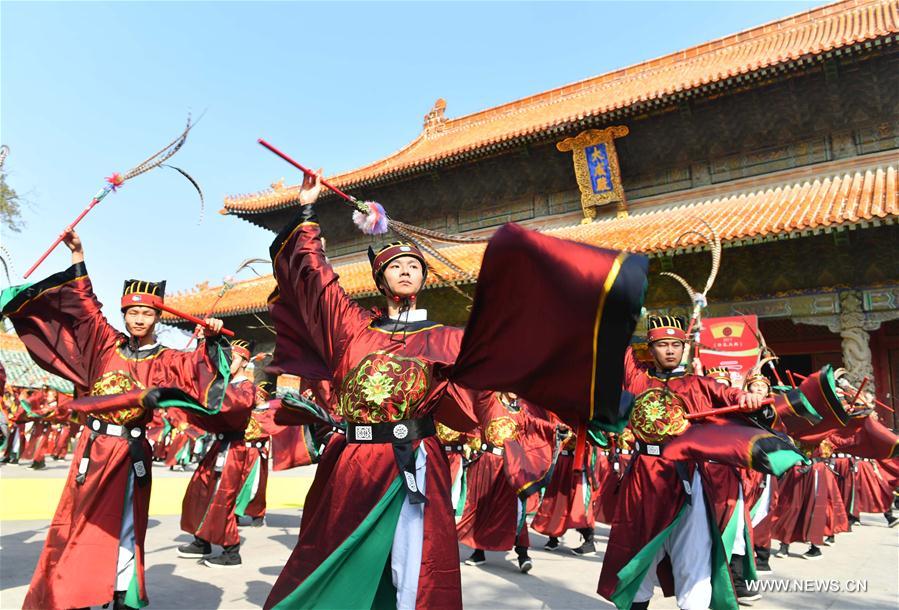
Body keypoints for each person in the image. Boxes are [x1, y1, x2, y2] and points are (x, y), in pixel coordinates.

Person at [2, 229, 230, 610]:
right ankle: (71, 592)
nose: (139, 319)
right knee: (77, 523)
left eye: (147, 313)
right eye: (133, 312)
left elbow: (199, 370)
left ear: (158, 317)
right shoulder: (106, 344)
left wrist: (211, 340)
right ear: (124, 315)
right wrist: (79, 255)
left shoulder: (168, 359)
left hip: (129, 451)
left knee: (123, 524)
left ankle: (122, 595)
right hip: (92, 450)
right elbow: (85, 304)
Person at [598, 315, 766, 610]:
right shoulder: (638, 380)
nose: (671, 350)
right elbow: (617, 342)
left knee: (694, 557)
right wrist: (622, 301)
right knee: (638, 557)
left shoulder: (698, 385)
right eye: (663, 345)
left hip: (688, 479)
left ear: (684, 347)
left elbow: (729, 395)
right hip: (643, 480)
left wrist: (747, 397)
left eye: (676, 344)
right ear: (650, 349)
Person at [178, 339, 257, 568]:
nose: (227, 361)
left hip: (233, 449)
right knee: (200, 489)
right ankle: (201, 539)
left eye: (232, 357)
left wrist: (215, 387)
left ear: (244, 361)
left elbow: (231, 406)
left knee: (223, 498)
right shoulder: (228, 385)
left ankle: (231, 551)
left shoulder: (245, 387)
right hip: (218, 446)